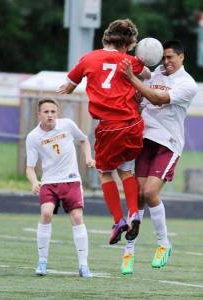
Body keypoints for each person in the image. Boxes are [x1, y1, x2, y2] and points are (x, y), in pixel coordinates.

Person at [58, 19, 151, 245]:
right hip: (132, 124)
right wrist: (139, 59)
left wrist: (68, 89)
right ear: (128, 43)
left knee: (105, 173)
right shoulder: (129, 60)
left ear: (106, 37)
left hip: (109, 126)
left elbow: (69, 86)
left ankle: (119, 220)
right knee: (126, 171)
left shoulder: (88, 58)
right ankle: (134, 213)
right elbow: (147, 73)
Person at [120, 40, 198, 275]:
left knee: (150, 192)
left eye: (171, 57)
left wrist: (133, 79)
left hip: (168, 144)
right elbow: (142, 100)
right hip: (145, 139)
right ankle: (129, 250)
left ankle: (164, 243)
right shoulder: (156, 74)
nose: (166, 62)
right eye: (163, 58)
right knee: (137, 195)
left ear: (182, 57)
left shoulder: (188, 84)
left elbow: (157, 99)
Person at [26, 98, 95, 277]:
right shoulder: (33, 137)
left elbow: (84, 140)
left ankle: (83, 265)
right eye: (46, 112)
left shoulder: (67, 125)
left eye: (53, 112)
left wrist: (88, 158)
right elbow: (30, 167)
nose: (50, 115)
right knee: (47, 213)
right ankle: (42, 261)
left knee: (77, 217)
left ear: (57, 113)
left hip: (72, 180)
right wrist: (34, 182)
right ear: (39, 114)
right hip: (49, 182)